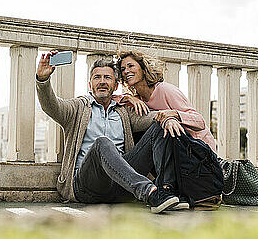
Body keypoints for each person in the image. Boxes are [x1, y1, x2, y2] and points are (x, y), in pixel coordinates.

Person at [36, 51, 182, 213]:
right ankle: (150, 192)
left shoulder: (123, 111)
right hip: (87, 187)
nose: (102, 82)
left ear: (116, 85)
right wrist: (43, 80)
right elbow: (51, 106)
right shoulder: (78, 108)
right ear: (90, 84)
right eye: (97, 77)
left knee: (160, 125)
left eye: (107, 78)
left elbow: (152, 118)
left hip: (122, 186)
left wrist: (168, 117)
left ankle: (166, 191)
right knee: (102, 142)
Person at [117, 50, 220, 208]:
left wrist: (172, 114)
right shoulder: (138, 99)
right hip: (176, 152)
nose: (126, 71)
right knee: (140, 131)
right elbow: (108, 97)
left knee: (160, 126)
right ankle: (164, 188)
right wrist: (128, 97)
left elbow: (200, 122)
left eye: (131, 66)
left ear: (143, 68)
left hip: (197, 154)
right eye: (123, 69)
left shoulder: (165, 90)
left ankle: (166, 188)